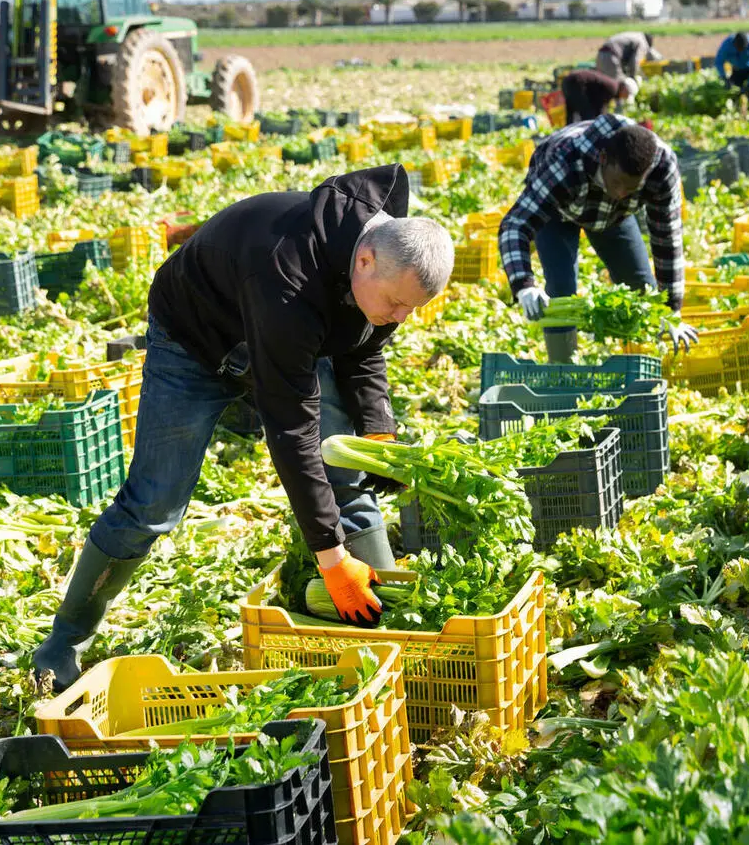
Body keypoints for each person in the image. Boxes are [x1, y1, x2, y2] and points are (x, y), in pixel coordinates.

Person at [32, 165, 455, 692]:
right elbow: (291, 426)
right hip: (195, 344)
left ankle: (385, 630)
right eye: (396, 303)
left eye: (412, 309)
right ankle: (64, 641)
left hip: (288, 342)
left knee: (348, 474)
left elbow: (362, 353)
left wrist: (378, 432)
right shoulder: (286, 274)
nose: (399, 318)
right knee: (153, 506)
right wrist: (329, 557)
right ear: (364, 260)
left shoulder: (380, 266)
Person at [498, 115, 699, 364]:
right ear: (604, 159)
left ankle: (643, 365)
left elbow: (667, 238)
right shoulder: (565, 161)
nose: (622, 192)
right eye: (617, 183)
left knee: (642, 289)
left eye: (632, 188)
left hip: (613, 217)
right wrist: (523, 284)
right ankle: (563, 371)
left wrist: (671, 311)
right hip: (558, 212)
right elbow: (515, 224)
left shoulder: (661, 168)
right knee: (562, 291)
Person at [560, 69, 638, 124]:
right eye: (626, 95)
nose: (623, 98)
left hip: (568, 80)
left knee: (571, 114)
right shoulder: (613, 89)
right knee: (588, 118)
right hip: (576, 82)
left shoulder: (613, 85)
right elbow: (599, 106)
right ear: (624, 89)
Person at [714, 32, 749, 105]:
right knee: (735, 92)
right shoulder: (727, 44)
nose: (741, 51)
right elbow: (719, 61)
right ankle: (738, 109)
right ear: (734, 44)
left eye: (743, 49)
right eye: (738, 49)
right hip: (737, 70)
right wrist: (724, 77)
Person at [596, 31, 662, 80]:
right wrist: (633, 77)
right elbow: (635, 61)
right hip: (611, 57)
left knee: (604, 82)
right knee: (617, 85)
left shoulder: (635, 35)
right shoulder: (642, 42)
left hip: (600, 55)